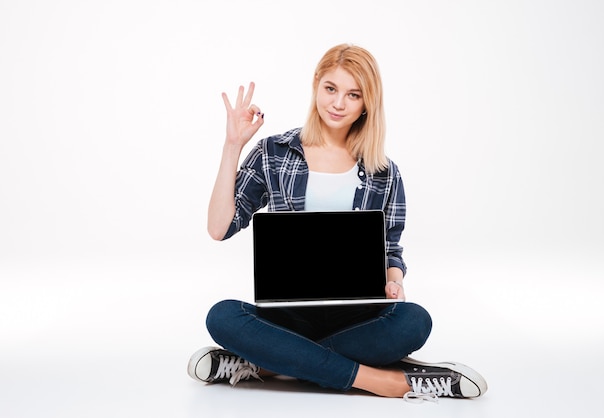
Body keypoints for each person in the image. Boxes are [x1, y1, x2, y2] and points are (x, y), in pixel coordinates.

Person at [187, 43, 487, 402]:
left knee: (414, 321)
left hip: (357, 317)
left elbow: (391, 249)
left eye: (353, 94)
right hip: (288, 315)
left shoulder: (384, 172)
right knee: (221, 316)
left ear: (367, 104)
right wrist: (232, 145)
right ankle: (385, 381)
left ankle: (271, 363)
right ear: (316, 85)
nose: (338, 103)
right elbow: (219, 227)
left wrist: (394, 283)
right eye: (331, 89)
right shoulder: (274, 152)